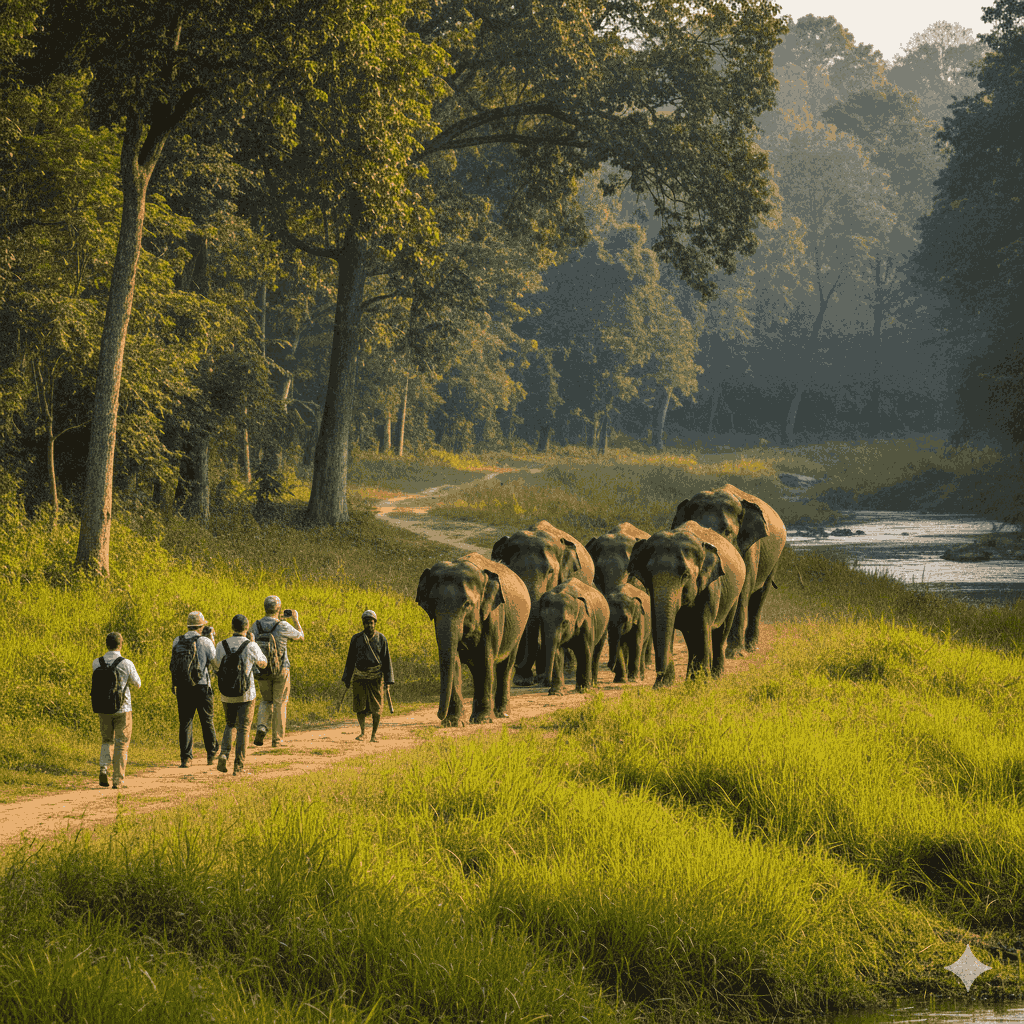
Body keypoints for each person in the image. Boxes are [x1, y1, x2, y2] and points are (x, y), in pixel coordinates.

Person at [211, 614, 267, 775]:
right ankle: (239, 767)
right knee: (243, 729)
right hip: (246, 693)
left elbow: (216, 664)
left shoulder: (222, 645)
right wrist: (255, 644)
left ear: (232, 627)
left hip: (227, 693)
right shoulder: (250, 645)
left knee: (230, 724)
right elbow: (263, 664)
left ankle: (224, 754)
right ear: (246, 627)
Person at [252, 596, 304, 748]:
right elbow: (300, 637)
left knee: (266, 700)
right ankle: (277, 740)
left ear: (265, 608)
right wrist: (295, 619)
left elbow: (250, 641)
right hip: (281, 668)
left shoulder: (255, 625)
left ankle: (261, 726)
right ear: (279, 609)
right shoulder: (282, 625)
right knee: (280, 703)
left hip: (262, 668)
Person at [169, 611, 219, 768]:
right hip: (202, 685)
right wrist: (212, 639)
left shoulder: (177, 640)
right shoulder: (205, 641)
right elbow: (216, 664)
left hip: (183, 686)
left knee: (185, 722)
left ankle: (186, 758)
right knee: (207, 720)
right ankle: (211, 755)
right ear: (201, 626)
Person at [92, 632, 142, 789]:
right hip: (123, 708)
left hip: (103, 708)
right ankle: (118, 780)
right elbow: (138, 683)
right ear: (121, 644)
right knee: (121, 744)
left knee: (107, 740)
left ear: (106, 644)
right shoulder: (126, 663)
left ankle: (103, 768)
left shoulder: (97, 662)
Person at [341, 609, 395, 743]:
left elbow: (386, 660)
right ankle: (363, 732)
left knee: (376, 708)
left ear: (375, 623)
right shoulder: (356, 639)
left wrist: (388, 680)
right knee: (360, 706)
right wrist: (347, 678)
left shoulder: (381, 639)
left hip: (375, 678)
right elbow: (350, 660)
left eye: (371, 623)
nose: (369, 625)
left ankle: (374, 734)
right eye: (366, 623)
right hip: (359, 677)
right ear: (363, 624)